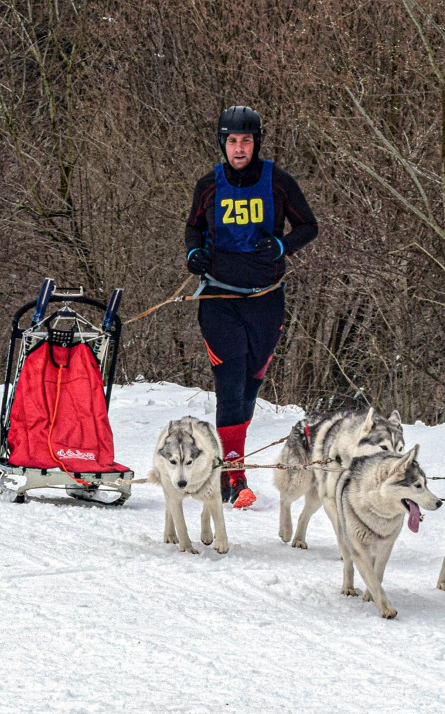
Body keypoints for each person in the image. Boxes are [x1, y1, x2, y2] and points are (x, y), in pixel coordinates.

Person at [184, 106, 318, 508]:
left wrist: (281, 246)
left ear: (256, 142)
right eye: (232, 141)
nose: (239, 148)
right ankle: (233, 476)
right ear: (222, 144)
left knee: (249, 387)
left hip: (266, 300)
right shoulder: (208, 185)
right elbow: (194, 227)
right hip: (219, 299)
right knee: (230, 382)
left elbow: (308, 227)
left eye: (245, 141)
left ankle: (227, 465)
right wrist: (194, 252)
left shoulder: (278, 182)